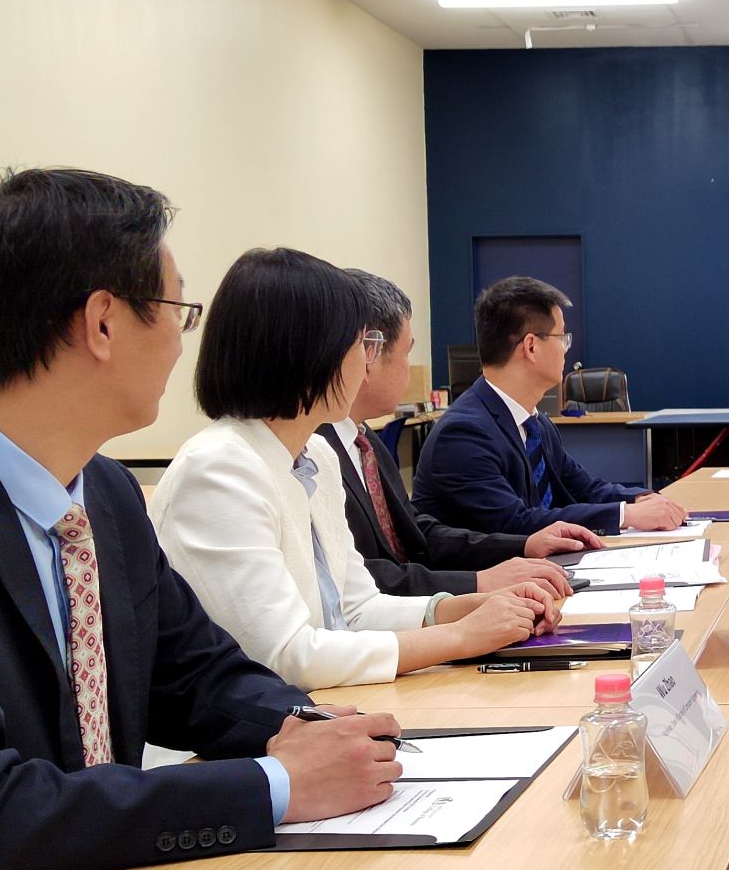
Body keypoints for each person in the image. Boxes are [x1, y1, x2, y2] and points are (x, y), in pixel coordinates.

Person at [0, 169, 400, 870]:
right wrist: (273, 784)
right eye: (179, 312)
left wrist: (313, 726)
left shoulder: (104, 491)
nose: (182, 344)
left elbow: (194, 673)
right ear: (103, 323)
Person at [153, 248, 559, 692]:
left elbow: (357, 608)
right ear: (307, 353)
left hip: (322, 705)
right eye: (363, 344)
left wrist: (467, 607)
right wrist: (460, 636)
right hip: (265, 722)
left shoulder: (316, 455)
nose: (367, 362)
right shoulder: (219, 469)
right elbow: (287, 656)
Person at [319, 269, 603, 599]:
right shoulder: (316, 451)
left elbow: (418, 533)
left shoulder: (365, 440)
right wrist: (480, 584)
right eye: (407, 351)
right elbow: (363, 580)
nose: (409, 367)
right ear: (370, 351)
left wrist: (524, 546)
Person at [414, 276, 688, 537]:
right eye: (562, 338)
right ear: (531, 346)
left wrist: (640, 499)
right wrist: (625, 515)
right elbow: (515, 522)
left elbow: (582, 487)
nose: (566, 349)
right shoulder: (463, 434)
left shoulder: (536, 424)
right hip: (489, 570)